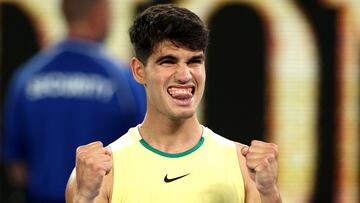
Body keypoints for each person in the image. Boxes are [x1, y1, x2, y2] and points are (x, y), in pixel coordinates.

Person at [66, 4, 281, 203]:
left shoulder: (245, 167)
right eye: (168, 61)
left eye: (194, 61)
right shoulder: (100, 174)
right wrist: (84, 197)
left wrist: (269, 192)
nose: (185, 75)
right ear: (139, 71)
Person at [2, 0, 146, 202]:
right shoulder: (123, 81)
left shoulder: (26, 78)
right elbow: (145, 153)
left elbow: (16, 164)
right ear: (99, 13)